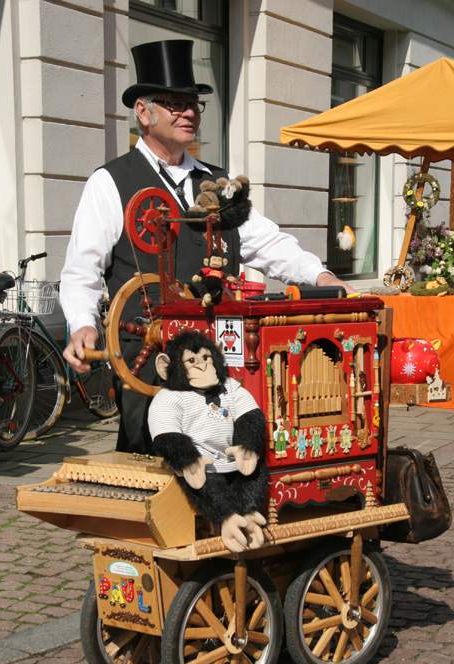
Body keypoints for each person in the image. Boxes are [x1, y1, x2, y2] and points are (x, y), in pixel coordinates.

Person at [61, 39, 353, 453]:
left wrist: (320, 276)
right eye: (175, 104)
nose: (189, 113)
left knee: (224, 463)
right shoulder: (110, 182)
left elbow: (268, 242)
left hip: (218, 355)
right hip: (152, 359)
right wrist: (83, 324)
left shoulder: (218, 183)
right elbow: (82, 269)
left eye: (194, 104)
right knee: (161, 464)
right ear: (143, 112)